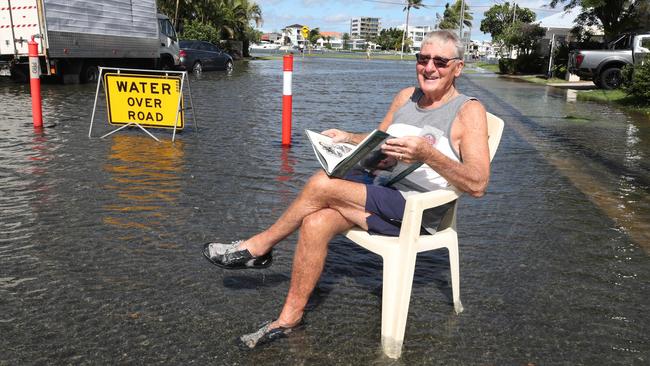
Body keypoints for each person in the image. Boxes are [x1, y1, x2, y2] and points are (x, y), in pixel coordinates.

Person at [202, 30, 490, 348]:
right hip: (386, 194)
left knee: (323, 184)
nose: (429, 68)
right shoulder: (407, 96)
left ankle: (259, 246)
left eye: (440, 61)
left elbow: (478, 184)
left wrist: (428, 154)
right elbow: (377, 142)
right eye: (423, 59)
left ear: (458, 68)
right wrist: (347, 138)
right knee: (315, 221)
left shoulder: (468, 111)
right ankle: (288, 319)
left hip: (419, 211)